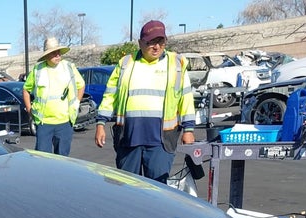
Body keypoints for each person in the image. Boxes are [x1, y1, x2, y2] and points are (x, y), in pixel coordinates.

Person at [94, 20, 196, 183]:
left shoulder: (176, 63)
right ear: (140, 43)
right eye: (151, 42)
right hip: (129, 139)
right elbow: (109, 95)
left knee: (157, 192)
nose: (156, 47)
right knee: (127, 189)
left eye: (160, 42)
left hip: (161, 142)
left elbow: (186, 98)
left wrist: (188, 129)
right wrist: (100, 124)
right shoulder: (126, 63)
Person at [23, 37, 85, 155]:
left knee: (63, 161)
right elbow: (26, 90)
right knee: (42, 160)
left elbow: (81, 85)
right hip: (43, 123)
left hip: (65, 123)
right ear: (46, 55)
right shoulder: (38, 69)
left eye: (58, 52)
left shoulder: (68, 67)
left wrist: (77, 102)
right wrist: (29, 109)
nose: (57, 55)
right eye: (53, 53)